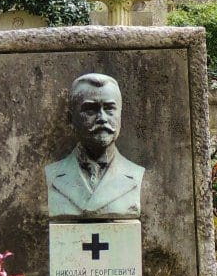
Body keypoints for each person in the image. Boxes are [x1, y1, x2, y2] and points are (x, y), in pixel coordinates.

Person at [45, 74, 144, 219]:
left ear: (120, 115)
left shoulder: (135, 174)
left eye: (109, 108)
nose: (102, 118)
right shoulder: (53, 175)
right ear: (71, 119)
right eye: (90, 110)